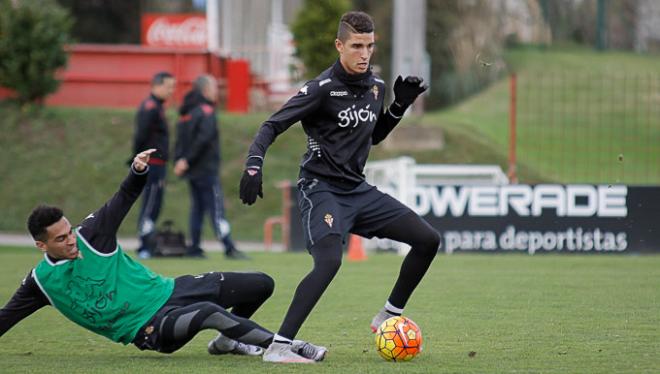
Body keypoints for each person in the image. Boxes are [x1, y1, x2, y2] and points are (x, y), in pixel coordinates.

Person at [239, 11, 440, 363]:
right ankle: (280, 347)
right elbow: (271, 126)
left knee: (428, 240)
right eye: (357, 46)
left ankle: (389, 315)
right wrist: (254, 164)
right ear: (339, 46)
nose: (365, 54)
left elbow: (373, 136)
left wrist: (398, 106)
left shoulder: (376, 87)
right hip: (320, 189)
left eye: (370, 46)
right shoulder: (320, 89)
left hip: (358, 191)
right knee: (329, 263)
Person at [0, 149, 325, 361]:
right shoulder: (40, 283)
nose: (71, 240)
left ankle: (229, 341)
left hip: (174, 290)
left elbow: (124, 196)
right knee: (209, 312)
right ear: (42, 246)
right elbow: (6, 318)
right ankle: (282, 348)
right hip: (150, 326)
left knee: (261, 283)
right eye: (61, 238)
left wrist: (138, 171)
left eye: (69, 230)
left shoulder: (92, 235)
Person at [173, 76, 249, 260]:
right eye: (214, 87)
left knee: (197, 209)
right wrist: (188, 160)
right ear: (205, 90)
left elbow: (180, 140)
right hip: (206, 169)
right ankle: (229, 246)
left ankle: (195, 248)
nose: (217, 91)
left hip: (193, 171)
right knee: (216, 209)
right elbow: (203, 139)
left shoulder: (188, 112)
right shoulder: (206, 112)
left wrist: (181, 160)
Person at [132, 71, 176, 259]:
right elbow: (140, 136)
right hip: (153, 164)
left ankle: (147, 243)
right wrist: (138, 159)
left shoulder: (158, 107)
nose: (171, 91)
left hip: (160, 164)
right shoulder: (150, 107)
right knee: (149, 204)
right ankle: (144, 245)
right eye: (168, 87)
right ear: (156, 86)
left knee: (155, 204)